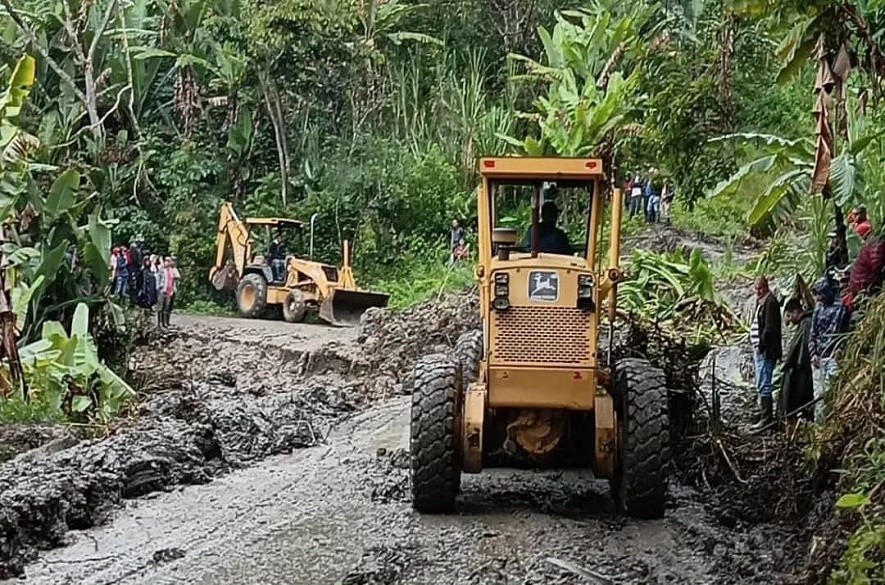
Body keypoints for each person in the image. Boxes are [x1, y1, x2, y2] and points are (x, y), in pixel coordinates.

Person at [809, 277, 848, 423]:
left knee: (831, 393)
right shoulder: (818, 309)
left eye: (820, 294)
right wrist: (813, 353)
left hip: (833, 356)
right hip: (818, 358)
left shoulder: (841, 308)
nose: (818, 298)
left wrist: (840, 349)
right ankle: (820, 427)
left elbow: (844, 331)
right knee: (818, 395)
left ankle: (832, 425)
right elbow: (813, 333)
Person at [749, 276, 782, 430]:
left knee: (765, 383)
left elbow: (770, 329)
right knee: (761, 382)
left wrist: (761, 345)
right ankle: (763, 414)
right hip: (760, 349)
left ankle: (766, 418)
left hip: (767, 351)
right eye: (756, 288)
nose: (758, 291)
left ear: (766, 287)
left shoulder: (771, 303)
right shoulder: (762, 302)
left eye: (760, 288)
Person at [780, 298, 814, 424]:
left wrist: (793, 361)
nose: (789, 320)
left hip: (804, 368)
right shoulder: (804, 323)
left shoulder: (806, 324)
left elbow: (803, 347)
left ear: (795, 312)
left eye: (789, 315)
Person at [843, 229, 885, 309]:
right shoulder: (878, 244)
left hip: (859, 282)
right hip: (863, 284)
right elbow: (877, 266)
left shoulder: (874, 241)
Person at [155, 256, 179, 328]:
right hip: (162, 290)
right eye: (166, 261)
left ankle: (164, 323)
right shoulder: (162, 269)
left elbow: (176, 278)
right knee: (160, 307)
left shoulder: (172, 270)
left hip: (169, 291)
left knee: (166, 307)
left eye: (169, 261)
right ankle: (159, 323)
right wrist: (158, 288)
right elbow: (158, 278)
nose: (168, 263)